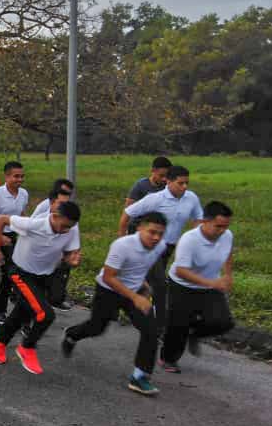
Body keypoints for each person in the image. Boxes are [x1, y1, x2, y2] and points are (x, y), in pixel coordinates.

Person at [62, 212, 168, 395]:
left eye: (160, 233)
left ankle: (140, 376)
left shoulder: (160, 247)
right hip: (108, 290)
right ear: (140, 228)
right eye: (152, 232)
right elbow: (109, 277)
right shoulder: (122, 245)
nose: (156, 237)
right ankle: (72, 334)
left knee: (151, 330)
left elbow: (140, 265)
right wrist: (135, 297)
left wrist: (142, 286)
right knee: (97, 327)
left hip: (134, 292)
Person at [0, 201, 81, 375]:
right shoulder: (34, 224)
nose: (67, 230)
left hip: (44, 275)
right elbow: (1, 219)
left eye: (71, 227)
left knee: (23, 311)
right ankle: (27, 348)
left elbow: (71, 252)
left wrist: (71, 260)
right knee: (45, 314)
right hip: (20, 272)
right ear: (55, 216)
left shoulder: (72, 229)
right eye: (64, 226)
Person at [120, 165, 203, 330]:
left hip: (168, 248)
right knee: (160, 284)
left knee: (148, 281)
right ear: (168, 181)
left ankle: (128, 305)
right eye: (180, 183)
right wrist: (121, 238)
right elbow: (128, 213)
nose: (184, 187)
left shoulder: (191, 198)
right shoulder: (155, 199)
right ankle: (160, 327)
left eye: (187, 183)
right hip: (149, 248)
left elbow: (198, 218)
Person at [159, 201, 235, 373]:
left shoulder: (227, 235)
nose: (223, 230)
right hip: (182, 285)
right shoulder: (189, 240)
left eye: (226, 226)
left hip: (210, 285)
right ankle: (168, 359)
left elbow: (229, 253)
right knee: (177, 326)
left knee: (224, 322)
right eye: (218, 226)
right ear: (204, 221)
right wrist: (212, 283)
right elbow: (180, 271)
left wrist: (228, 275)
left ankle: (194, 334)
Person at [0, 161, 29, 326]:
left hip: (13, 237)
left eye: (22, 176)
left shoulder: (23, 194)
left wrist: (27, 231)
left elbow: (22, 213)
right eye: (16, 176)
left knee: (11, 273)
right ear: (7, 176)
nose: (20, 180)